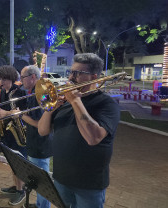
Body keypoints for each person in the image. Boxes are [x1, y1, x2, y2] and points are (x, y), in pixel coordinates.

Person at [38, 53, 120, 208]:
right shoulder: (64, 102)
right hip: (61, 177)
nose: (71, 77)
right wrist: (50, 109)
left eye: (78, 73)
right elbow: (42, 131)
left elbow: (93, 138)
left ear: (93, 76)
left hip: (88, 183)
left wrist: (75, 100)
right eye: (71, 72)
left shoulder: (107, 104)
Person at [14, 65, 52, 208]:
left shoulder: (41, 95)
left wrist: (22, 116)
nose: (20, 80)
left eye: (22, 77)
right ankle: (39, 204)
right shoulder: (34, 93)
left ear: (33, 77)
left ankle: (43, 206)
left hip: (40, 144)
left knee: (42, 182)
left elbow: (41, 124)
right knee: (37, 179)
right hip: (35, 143)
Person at [0, 65, 27, 206]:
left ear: (11, 78)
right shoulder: (2, 91)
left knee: (18, 162)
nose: (1, 82)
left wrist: (5, 114)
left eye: (4, 79)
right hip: (7, 131)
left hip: (17, 133)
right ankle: (16, 187)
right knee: (12, 162)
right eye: (0, 79)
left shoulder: (18, 92)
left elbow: (23, 112)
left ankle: (21, 191)